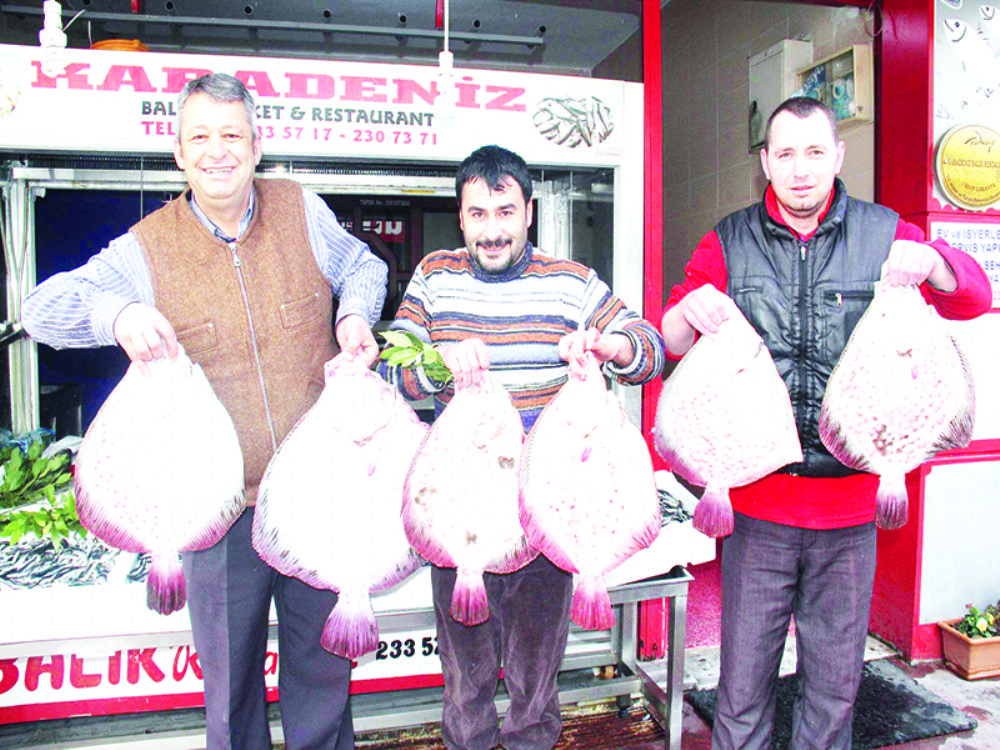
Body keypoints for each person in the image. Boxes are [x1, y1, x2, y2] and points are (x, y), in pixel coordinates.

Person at [21, 73, 388, 750]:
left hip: (321, 500)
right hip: (214, 516)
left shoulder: (302, 210)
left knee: (323, 684)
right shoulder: (145, 247)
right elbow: (39, 311)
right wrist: (116, 310)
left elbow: (364, 266)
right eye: (200, 137)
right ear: (178, 154)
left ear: (256, 145)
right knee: (231, 693)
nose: (218, 151)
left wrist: (355, 315)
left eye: (232, 135)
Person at [661, 96, 992, 750]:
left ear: (838, 155)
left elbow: (974, 296)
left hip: (850, 509)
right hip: (756, 506)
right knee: (743, 685)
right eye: (784, 154)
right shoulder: (727, 240)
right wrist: (692, 307)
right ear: (765, 163)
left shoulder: (885, 231)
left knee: (835, 687)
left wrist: (935, 263)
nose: (801, 169)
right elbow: (671, 340)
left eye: (815, 151)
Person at [379, 144, 665, 750]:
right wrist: (437, 364)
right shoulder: (433, 277)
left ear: (529, 211)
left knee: (536, 684)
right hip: (458, 510)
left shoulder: (571, 284)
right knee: (465, 679)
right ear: (461, 217)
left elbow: (649, 348)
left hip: (549, 509)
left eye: (505, 212)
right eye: (477, 214)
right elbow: (390, 371)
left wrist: (610, 348)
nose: (492, 230)